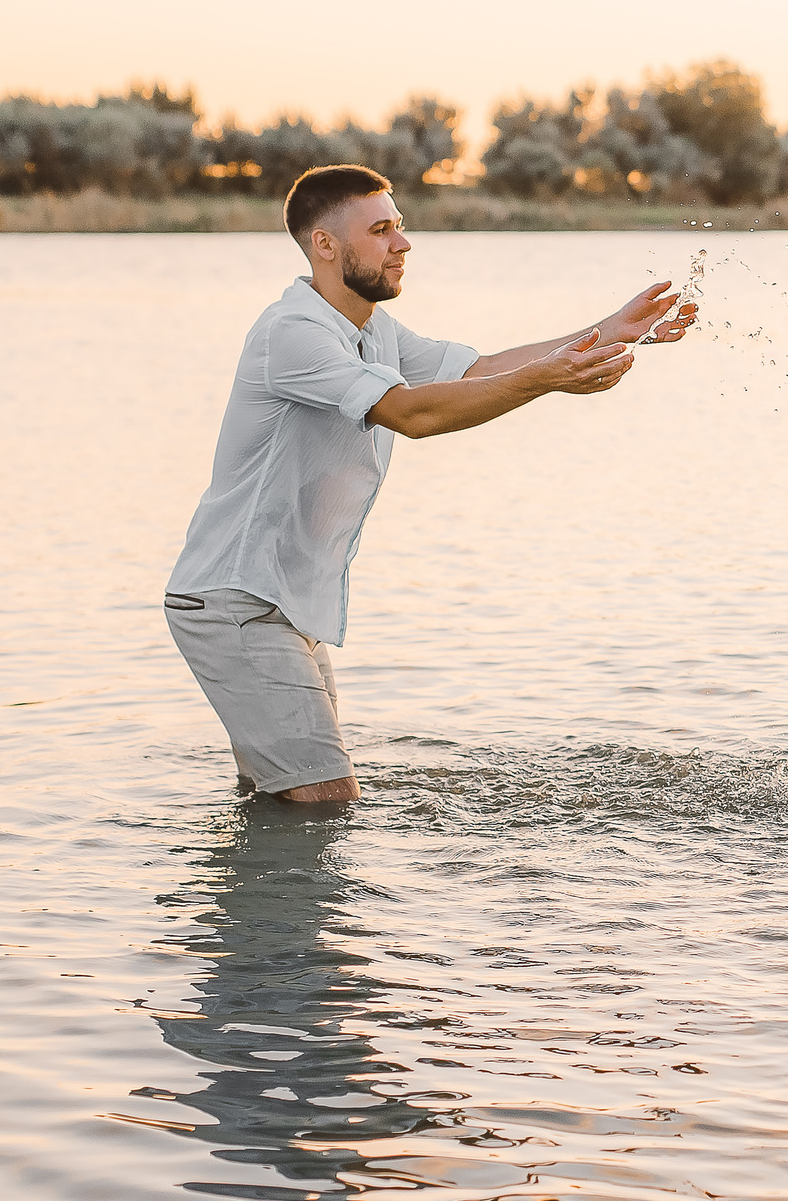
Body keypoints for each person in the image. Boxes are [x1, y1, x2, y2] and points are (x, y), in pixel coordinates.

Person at [165, 163, 696, 804]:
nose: (403, 244)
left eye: (400, 226)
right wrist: (548, 379)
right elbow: (414, 414)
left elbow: (477, 370)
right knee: (326, 800)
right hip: (239, 603)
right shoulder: (294, 335)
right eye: (381, 231)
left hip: (281, 605)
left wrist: (606, 332)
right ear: (324, 244)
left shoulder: (372, 330)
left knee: (281, 799)